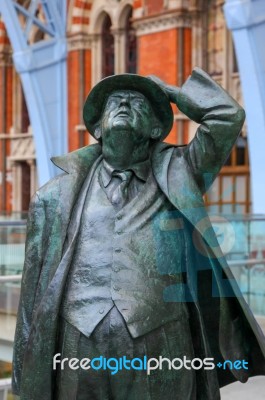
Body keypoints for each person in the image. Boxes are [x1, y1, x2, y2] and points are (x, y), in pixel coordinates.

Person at [12, 68, 265, 400]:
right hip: (77, 345)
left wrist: (173, 93)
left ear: (157, 129)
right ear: (98, 128)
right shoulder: (53, 196)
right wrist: (23, 373)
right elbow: (33, 291)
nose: (125, 105)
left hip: (163, 343)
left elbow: (227, 118)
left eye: (139, 103)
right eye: (115, 102)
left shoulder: (182, 172)